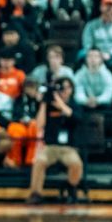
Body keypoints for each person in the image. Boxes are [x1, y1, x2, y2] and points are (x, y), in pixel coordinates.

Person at [27, 77, 84, 205]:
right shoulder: (49, 106)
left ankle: (71, 188)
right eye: (61, 87)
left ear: (72, 89)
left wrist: (60, 104)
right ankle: (36, 193)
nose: (64, 91)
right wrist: (44, 103)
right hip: (50, 147)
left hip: (68, 148)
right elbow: (39, 124)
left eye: (67, 87)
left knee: (76, 164)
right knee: (39, 162)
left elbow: (76, 118)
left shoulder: (75, 105)